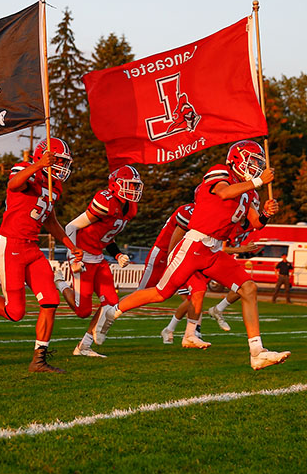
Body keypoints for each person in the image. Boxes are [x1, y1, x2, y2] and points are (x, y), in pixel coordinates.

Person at [100, 140, 289, 370]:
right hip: (195, 244)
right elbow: (223, 193)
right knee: (161, 293)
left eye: (259, 164)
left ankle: (257, 351)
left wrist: (266, 214)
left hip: (214, 249)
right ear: (237, 159)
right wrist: (257, 181)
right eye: (253, 162)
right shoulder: (221, 172)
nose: (256, 167)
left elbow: (256, 223)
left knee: (248, 288)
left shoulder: (249, 193)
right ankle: (112, 311)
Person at [0, 138, 85, 373]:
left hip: (32, 248)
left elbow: (50, 220)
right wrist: (37, 167)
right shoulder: (26, 170)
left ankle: (38, 360)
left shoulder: (54, 186)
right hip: (11, 247)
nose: (62, 166)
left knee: (50, 301)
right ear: (44, 157)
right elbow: (14, 185)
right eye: (59, 160)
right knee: (15, 312)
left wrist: (69, 244)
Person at [57, 165, 141, 358]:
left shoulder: (130, 207)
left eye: (136, 186)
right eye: (130, 185)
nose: (134, 190)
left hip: (99, 257)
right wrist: (73, 256)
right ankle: (61, 283)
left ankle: (83, 346)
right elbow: (71, 227)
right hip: (83, 256)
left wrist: (118, 254)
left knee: (111, 303)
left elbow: (105, 236)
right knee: (83, 311)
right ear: (115, 185)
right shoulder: (106, 201)